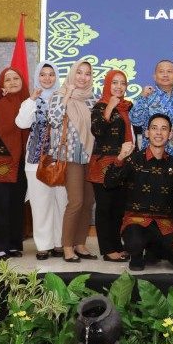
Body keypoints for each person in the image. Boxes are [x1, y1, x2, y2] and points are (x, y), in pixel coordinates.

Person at [105, 113, 173, 271]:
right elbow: (109, 183)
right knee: (135, 244)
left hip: (165, 223)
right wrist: (120, 157)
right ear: (147, 133)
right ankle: (137, 253)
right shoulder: (133, 160)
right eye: (154, 128)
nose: (159, 133)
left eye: (164, 129)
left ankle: (154, 249)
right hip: (136, 220)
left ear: (170, 134)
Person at [47, 60, 98, 262]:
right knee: (76, 201)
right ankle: (67, 246)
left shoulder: (92, 99)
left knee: (88, 201)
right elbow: (54, 120)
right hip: (70, 157)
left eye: (87, 73)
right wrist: (67, 95)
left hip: (90, 156)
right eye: (79, 72)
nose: (83, 77)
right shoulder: (59, 95)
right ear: (72, 73)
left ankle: (80, 243)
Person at [15, 61, 68, 260]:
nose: (47, 78)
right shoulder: (32, 100)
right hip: (36, 161)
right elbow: (21, 123)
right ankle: (44, 245)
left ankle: (59, 243)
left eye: (51, 74)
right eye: (43, 74)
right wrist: (31, 100)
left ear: (57, 77)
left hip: (61, 159)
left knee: (61, 202)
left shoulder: (63, 98)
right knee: (40, 204)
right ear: (37, 77)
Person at [0, 68, 30, 260]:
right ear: (1, 84)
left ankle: (12, 244)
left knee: (16, 204)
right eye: (7, 79)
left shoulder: (28, 101)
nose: (12, 82)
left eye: (16, 78)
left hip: (21, 161)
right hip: (0, 160)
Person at [89, 70, 134, 262]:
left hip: (122, 162)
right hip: (103, 164)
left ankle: (116, 245)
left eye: (122, 83)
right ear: (107, 84)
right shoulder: (100, 106)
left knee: (118, 208)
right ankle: (107, 250)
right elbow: (97, 130)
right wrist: (109, 108)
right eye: (114, 82)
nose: (118, 86)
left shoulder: (125, 107)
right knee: (105, 208)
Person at [130, 59, 173, 159]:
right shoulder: (146, 97)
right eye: (161, 71)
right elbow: (136, 121)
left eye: (169, 71)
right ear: (154, 76)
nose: (165, 75)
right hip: (152, 155)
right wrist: (142, 98)